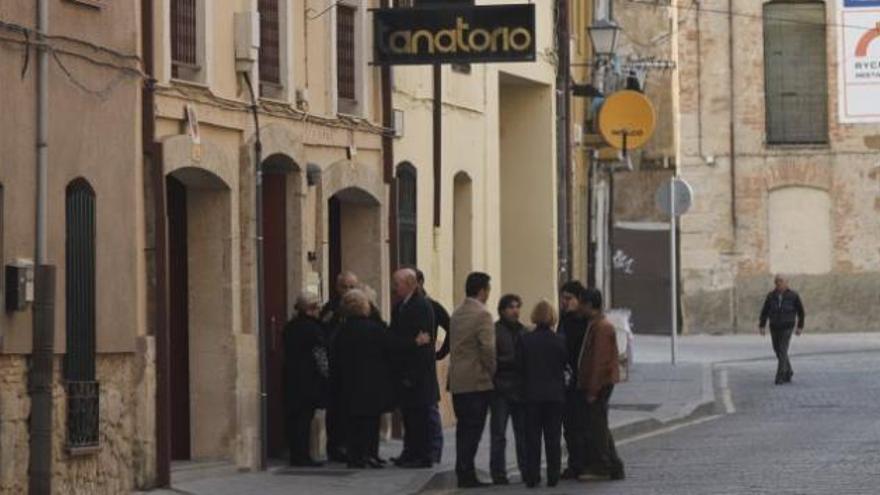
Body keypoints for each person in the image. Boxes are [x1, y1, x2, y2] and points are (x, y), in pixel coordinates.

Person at [335, 289, 394, 469]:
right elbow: (388, 350)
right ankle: (370, 454)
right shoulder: (374, 329)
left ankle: (355, 456)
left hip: (349, 382)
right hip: (372, 382)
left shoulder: (341, 331)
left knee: (353, 421)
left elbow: (335, 355)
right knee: (371, 420)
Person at [448, 272, 497, 489]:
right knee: (473, 429)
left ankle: (463, 470)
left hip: (458, 380)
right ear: (482, 291)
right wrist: (492, 371)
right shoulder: (483, 315)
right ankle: (467, 473)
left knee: (463, 429)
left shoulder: (457, 313)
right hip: (477, 380)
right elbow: (487, 348)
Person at [388, 268, 437, 469]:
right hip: (403, 369)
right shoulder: (400, 306)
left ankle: (422, 455)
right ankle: (409, 452)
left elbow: (424, 343)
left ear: (410, 284)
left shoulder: (421, 306)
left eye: (397, 283)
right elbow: (394, 338)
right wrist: (409, 342)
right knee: (409, 416)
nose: (394, 287)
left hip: (417, 373)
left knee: (420, 417)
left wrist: (413, 375)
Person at [518, 300, 567, 489]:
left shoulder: (525, 340)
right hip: (555, 395)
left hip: (531, 395)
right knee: (553, 437)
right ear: (553, 317)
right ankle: (553, 475)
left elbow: (519, 367)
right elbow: (564, 364)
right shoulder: (560, 340)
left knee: (532, 437)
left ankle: (532, 475)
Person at [576, 287, 624, 482]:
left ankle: (603, 466)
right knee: (599, 424)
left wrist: (593, 389)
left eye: (581, 303)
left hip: (600, 384)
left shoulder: (602, 327)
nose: (579, 307)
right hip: (597, 383)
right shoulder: (594, 324)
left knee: (598, 426)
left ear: (589, 305)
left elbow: (600, 361)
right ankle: (613, 465)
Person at [283, 292, 329, 467]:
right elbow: (320, 355)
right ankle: (303, 456)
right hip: (309, 379)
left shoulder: (290, 327)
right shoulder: (314, 328)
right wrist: (326, 375)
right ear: (312, 309)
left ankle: (296, 454)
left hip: (291, 377)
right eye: (317, 307)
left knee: (294, 417)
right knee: (304, 418)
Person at [320, 271, 360, 463]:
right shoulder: (332, 308)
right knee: (335, 411)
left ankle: (351, 446)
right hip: (335, 368)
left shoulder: (361, 308)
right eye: (345, 287)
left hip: (354, 369)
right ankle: (335, 447)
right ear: (337, 288)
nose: (348, 291)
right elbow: (323, 332)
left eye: (352, 287)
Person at [414, 268, 451, 464]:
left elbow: (450, 326)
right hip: (411, 364)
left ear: (419, 282)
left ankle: (434, 450)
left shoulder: (431, 306)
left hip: (426, 363)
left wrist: (441, 352)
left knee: (429, 408)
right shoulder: (404, 305)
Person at [489, 294, 527, 485]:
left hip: (520, 390)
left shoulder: (523, 331)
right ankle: (498, 473)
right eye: (511, 307)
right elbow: (492, 359)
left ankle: (526, 469)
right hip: (500, 390)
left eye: (517, 307)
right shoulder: (495, 330)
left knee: (522, 433)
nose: (515, 311)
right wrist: (513, 361)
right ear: (502, 310)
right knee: (498, 434)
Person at [557, 280, 588, 479]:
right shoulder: (565, 320)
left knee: (581, 426)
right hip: (567, 382)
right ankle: (575, 463)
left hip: (582, 381)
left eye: (569, 299)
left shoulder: (586, 323)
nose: (564, 302)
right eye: (563, 298)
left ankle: (584, 463)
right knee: (569, 426)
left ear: (579, 300)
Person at [759, 275, 806, 385]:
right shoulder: (771, 296)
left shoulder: (793, 295)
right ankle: (788, 371)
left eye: (781, 282)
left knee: (782, 349)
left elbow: (801, 312)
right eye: (777, 282)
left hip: (787, 326)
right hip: (774, 326)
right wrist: (762, 325)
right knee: (777, 350)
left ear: (786, 283)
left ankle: (780, 375)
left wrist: (800, 326)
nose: (778, 284)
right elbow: (765, 311)